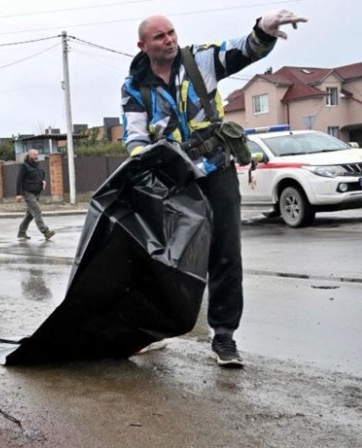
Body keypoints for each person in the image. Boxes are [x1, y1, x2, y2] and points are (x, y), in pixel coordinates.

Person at [121, 10, 306, 367]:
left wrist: (262, 31)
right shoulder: (135, 85)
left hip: (217, 167)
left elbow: (242, 50)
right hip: (175, 177)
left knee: (225, 251)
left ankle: (223, 336)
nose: (169, 40)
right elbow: (135, 134)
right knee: (165, 256)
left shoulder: (199, 59)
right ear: (143, 45)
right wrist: (143, 162)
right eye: (160, 37)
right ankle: (151, 329)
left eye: (172, 32)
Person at [15, 149, 56, 241]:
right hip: (27, 193)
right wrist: (18, 194)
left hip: (36, 193)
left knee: (30, 215)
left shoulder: (37, 165)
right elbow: (19, 180)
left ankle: (21, 232)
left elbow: (42, 174)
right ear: (30, 156)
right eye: (34, 155)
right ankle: (46, 232)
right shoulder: (24, 166)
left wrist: (43, 180)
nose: (37, 156)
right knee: (37, 211)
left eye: (37, 155)